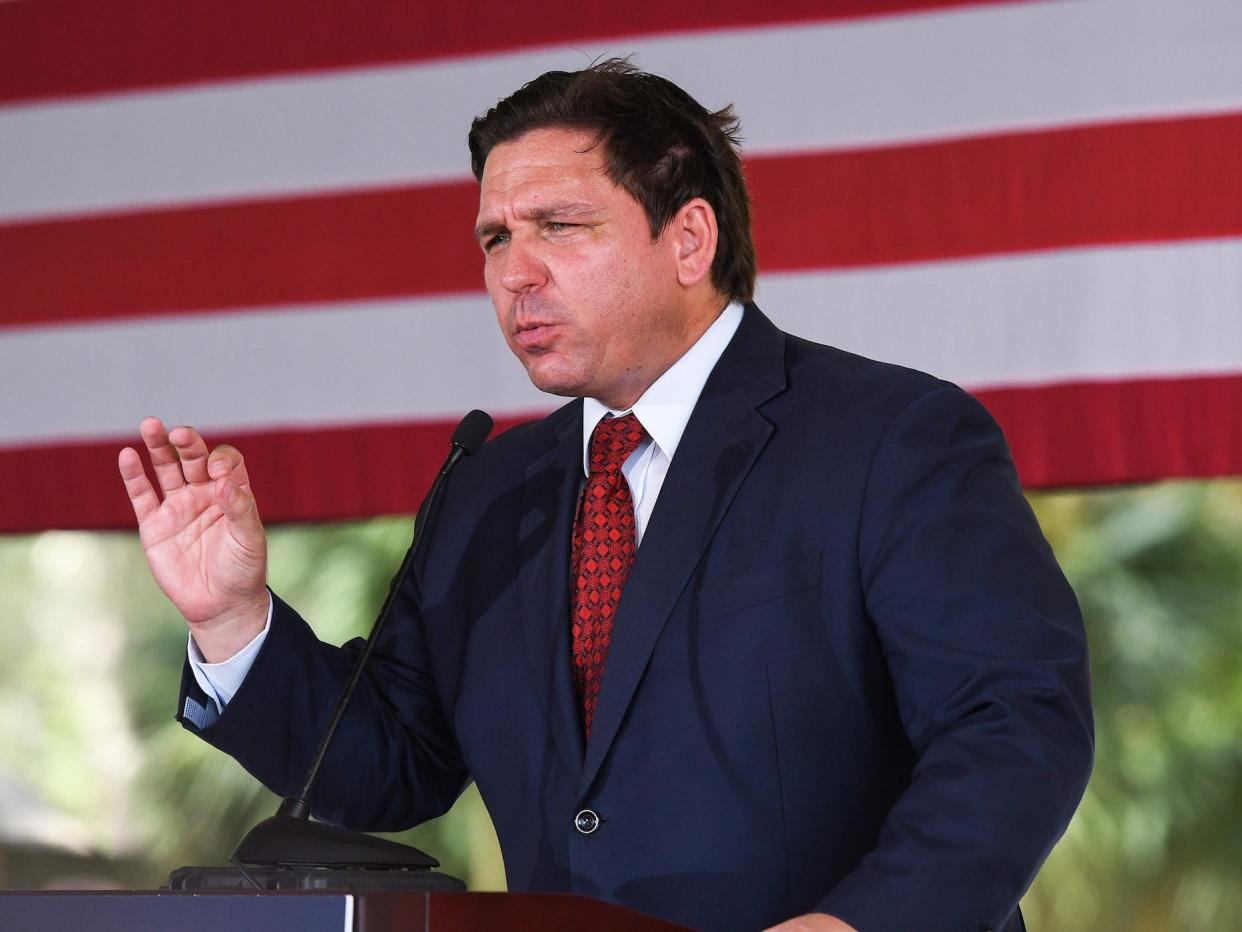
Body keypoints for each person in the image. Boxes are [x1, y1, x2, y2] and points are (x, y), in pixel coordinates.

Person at [118, 60, 1092, 931]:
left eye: (559, 226)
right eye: (494, 237)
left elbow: (1015, 726)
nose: (513, 274)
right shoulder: (489, 492)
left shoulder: (891, 437)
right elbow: (389, 762)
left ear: (690, 238)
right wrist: (234, 616)